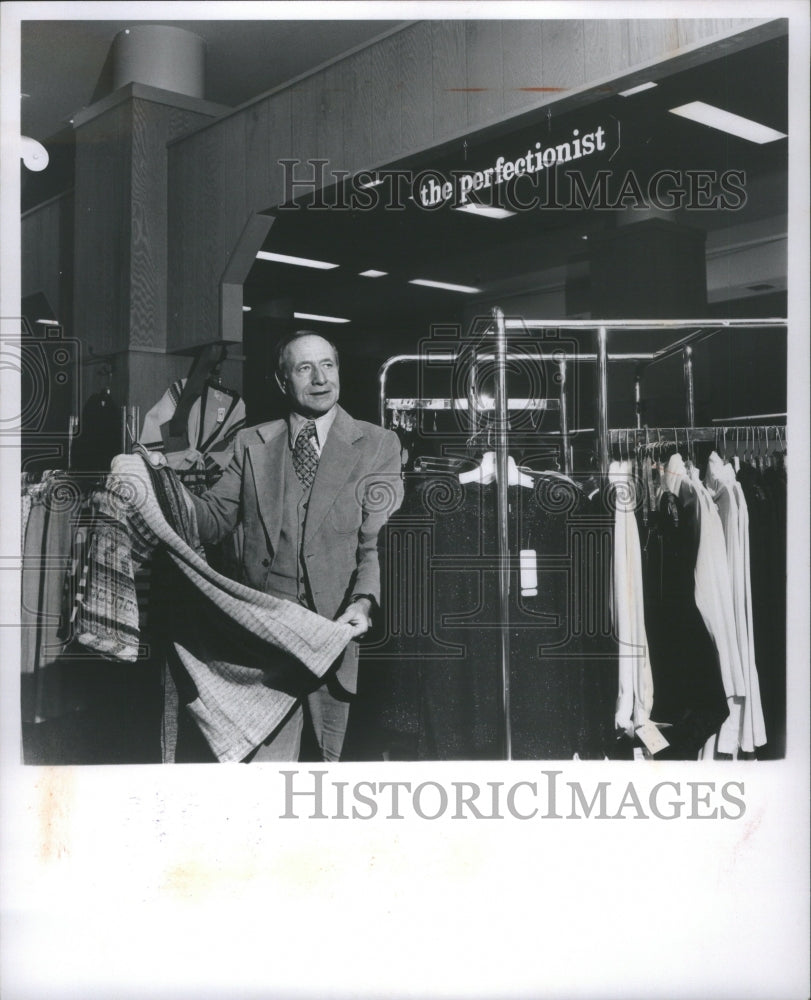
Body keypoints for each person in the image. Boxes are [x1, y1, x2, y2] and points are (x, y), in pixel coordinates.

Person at [183, 330, 403, 761]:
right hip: (268, 644)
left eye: (328, 365)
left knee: (333, 771)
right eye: (305, 368)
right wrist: (157, 485)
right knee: (266, 774)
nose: (320, 378)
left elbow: (375, 541)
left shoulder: (378, 445)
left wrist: (363, 601)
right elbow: (210, 522)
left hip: (337, 637)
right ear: (283, 381)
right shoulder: (251, 444)